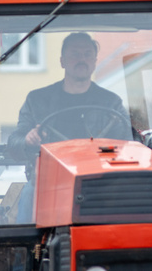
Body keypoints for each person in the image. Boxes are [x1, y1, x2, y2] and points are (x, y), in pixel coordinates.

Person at [7, 32, 131, 222]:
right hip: (48, 182)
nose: (82, 59)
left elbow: (128, 145)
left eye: (87, 54)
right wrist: (28, 139)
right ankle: (26, 248)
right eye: (75, 54)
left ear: (95, 61)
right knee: (30, 196)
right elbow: (13, 143)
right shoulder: (37, 100)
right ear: (62, 61)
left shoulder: (111, 103)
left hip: (99, 181)